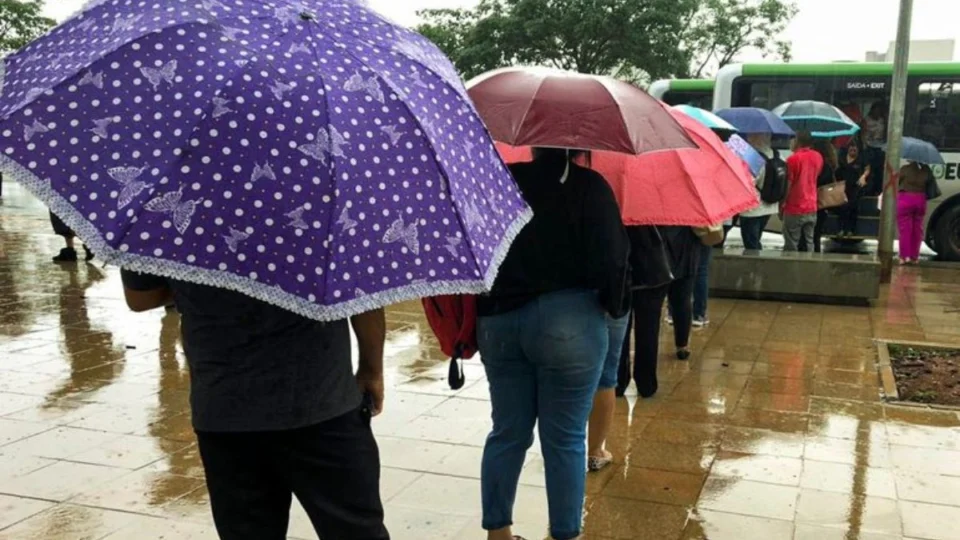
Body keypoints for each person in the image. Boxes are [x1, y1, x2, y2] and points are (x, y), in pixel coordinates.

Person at [120, 273, 390, 540]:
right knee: (355, 530)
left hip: (225, 410)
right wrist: (371, 369)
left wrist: (201, 281)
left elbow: (140, 298)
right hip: (323, 402)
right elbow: (361, 289)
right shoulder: (325, 228)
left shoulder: (168, 229)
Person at [476, 148, 629, 540]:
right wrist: (610, 305)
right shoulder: (590, 187)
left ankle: (498, 533)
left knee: (506, 432)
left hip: (499, 320)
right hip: (571, 322)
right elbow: (612, 262)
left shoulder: (500, 178)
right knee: (564, 439)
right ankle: (565, 533)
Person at [589, 226, 670, 471]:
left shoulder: (595, 198)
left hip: (601, 283)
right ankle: (646, 383)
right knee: (644, 335)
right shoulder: (647, 200)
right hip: (637, 279)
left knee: (601, 361)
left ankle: (622, 383)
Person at [617, 226, 699, 398]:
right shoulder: (664, 206)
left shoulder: (621, 202)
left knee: (621, 327)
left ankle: (618, 381)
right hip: (653, 270)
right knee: (649, 328)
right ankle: (646, 383)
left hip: (623, 269)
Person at [783, 131, 823, 252]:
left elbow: (788, 185)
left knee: (791, 242)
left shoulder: (792, 159)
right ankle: (809, 267)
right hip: (812, 205)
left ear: (797, 141)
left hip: (794, 207)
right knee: (809, 241)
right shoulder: (818, 157)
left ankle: (792, 268)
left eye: (792, 139)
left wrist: (782, 203)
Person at [739, 133, 780, 250]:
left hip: (752, 208)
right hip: (771, 205)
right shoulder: (777, 155)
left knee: (751, 243)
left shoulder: (752, 156)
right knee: (756, 239)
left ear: (754, 136)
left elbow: (749, 182)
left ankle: (755, 267)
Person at [806, 138, 839, 253]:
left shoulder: (818, 165)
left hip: (813, 202)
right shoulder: (830, 165)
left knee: (809, 236)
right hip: (823, 205)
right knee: (816, 235)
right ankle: (816, 256)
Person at [897, 161, 932, 264]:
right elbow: (929, 184)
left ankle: (904, 256)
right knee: (917, 229)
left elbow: (897, 181)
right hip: (920, 200)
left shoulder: (905, 169)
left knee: (905, 229)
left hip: (905, 199)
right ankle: (914, 257)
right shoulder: (926, 170)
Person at [836, 141, 871, 236]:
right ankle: (841, 229)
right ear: (848, 149)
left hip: (856, 187)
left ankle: (851, 230)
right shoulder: (842, 159)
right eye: (851, 147)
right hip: (843, 187)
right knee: (842, 207)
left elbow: (867, 168)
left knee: (853, 206)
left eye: (855, 148)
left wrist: (863, 176)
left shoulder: (861, 159)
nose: (853, 149)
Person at [862, 102, 887, 195]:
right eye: (876, 111)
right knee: (869, 169)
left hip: (880, 147)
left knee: (880, 170)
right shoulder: (866, 120)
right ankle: (868, 190)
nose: (877, 113)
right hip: (869, 146)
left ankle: (878, 189)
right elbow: (863, 134)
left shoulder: (882, 120)